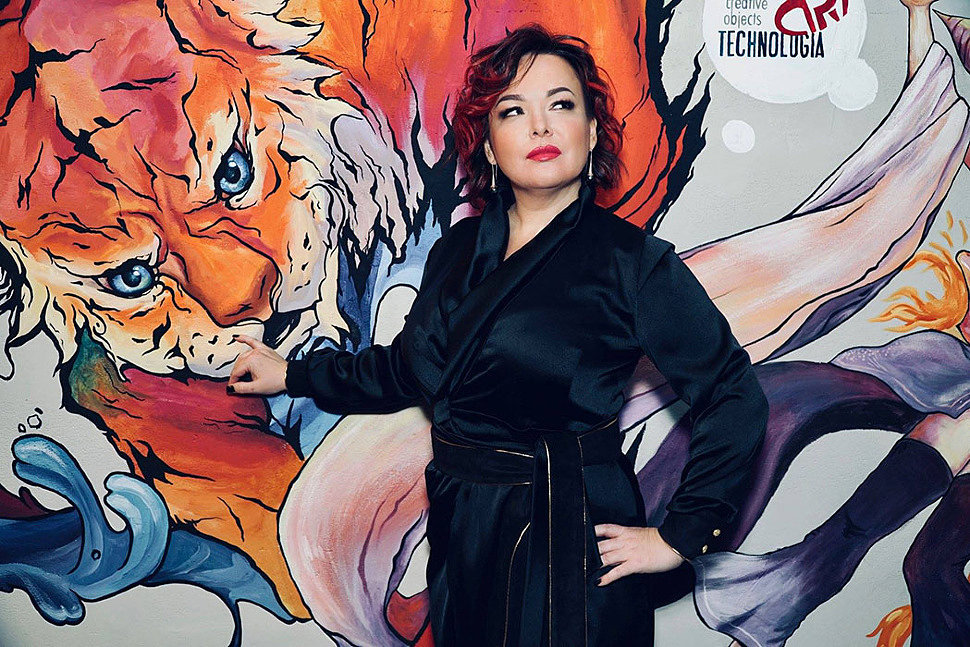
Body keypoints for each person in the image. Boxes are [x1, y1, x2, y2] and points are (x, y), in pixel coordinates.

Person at [227, 24, 768, 647]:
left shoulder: (632, 263)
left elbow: (734, 395)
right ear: (486, 146)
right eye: (513, 111)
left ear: (592, 133)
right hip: (464, 532)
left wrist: (680, 535)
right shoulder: (457, 249)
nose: (539, 127)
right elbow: (407, 369)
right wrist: (292, 374)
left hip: (568, 541)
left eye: (561, 105)